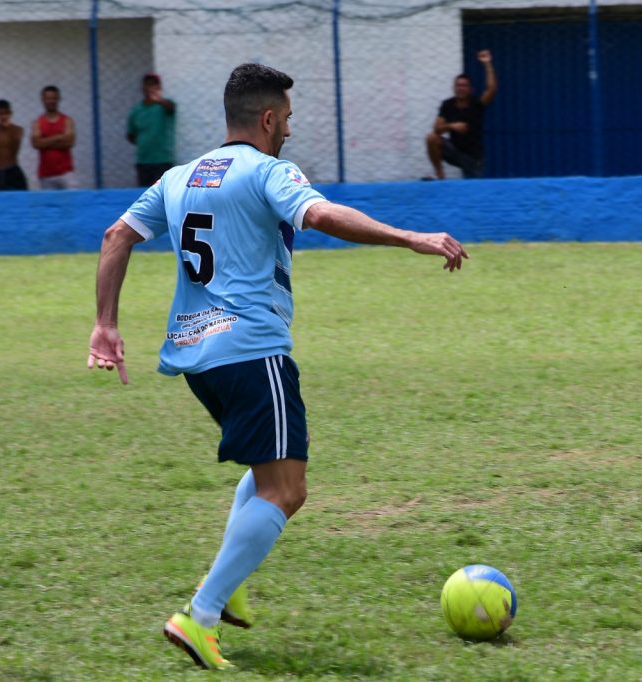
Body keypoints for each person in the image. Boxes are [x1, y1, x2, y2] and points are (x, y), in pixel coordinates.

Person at [87, 63, 467, 672]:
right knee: (287, 489)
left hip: (196, 355)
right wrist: (410, 237)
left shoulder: (179, 177)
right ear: (267, 119)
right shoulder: (271, 171)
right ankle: (200, 615)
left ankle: (229, 584)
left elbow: (114, 237)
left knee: (268, 467)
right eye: (286, 119)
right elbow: (319, 215)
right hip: (251, 348)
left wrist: (105, 324)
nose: (289, 130)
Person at [426, 49, 497, 179]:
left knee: (473, 190)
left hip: (474, 158)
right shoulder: (447, 105)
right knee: (431, 138)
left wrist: (487, 64)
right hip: (455, 152)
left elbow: (491, 89)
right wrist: (451, 126)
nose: (460, 88)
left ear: (470, 89)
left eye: (464, 86)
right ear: (454, 88)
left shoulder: (476, 104)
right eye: (458, 85)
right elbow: (436, 130)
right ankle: (440, 174)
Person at [127, 73, 176, 187]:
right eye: (148, 84)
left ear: (159, 87)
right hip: (143, 160)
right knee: (144, 194)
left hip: (163, 159)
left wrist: (159, 99)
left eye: (154, 84)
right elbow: (131, 135)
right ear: (142, 87)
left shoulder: (164, 106)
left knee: (163, 193)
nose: (150, 87)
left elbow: (171, 108)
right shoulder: (136, 110)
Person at [30, 85, 76, 189]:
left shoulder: (67, 120)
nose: (51, 101)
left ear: (59, 99)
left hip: (66, 173)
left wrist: (45, 142)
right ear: (42, 100)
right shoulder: (37, 123)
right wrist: (58, 137)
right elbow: (36, 143)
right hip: (46, 175)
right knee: (50, 205)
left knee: (72, 203)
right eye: (48, 98)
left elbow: (69, 142)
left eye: (54, 98)